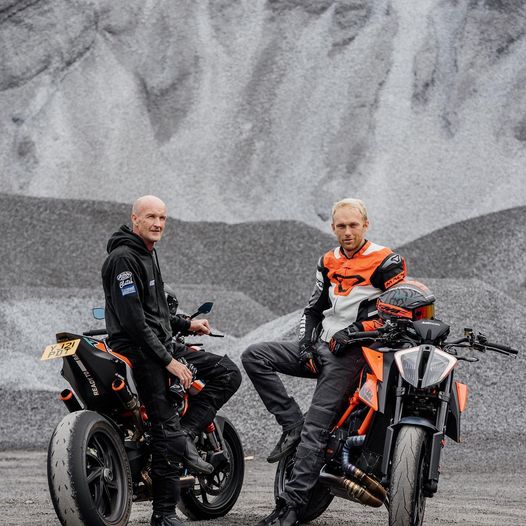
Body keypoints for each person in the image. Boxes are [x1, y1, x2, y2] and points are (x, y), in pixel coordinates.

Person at [242, 198, 406, 526]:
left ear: (366, 225)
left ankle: (290, 508)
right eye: (341, 226)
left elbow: (398, 313)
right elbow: (313, 309)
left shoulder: (387, 260)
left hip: (354, 356)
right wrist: (305, 344)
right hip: (320, 348)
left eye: (353, 225)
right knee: (254, 355)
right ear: (332, 227)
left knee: (316, 427)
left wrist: (356, 331)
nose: (347, 232)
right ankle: (292, 424)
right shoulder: (327, 260)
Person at [102, 195, 242, 526]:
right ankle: (164, 514)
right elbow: (134, 321)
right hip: (140, 350)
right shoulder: (123, 259)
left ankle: (186, 432)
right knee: (164, 426)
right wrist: (169, 361)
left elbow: (155, 311)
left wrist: (186, 324)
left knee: (228, 373)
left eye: (162, 218)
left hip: (159, 344)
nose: (158, 223)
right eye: (151, 217)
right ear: (135, 219)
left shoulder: (147, 252)